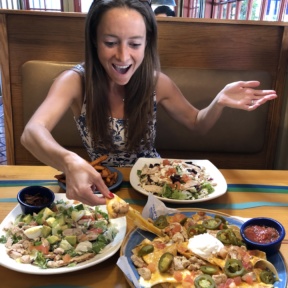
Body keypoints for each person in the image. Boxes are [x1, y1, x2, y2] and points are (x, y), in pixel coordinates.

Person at [21, 0, 277, 206]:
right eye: (110, 43)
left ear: (147, 44)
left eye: (134, 43)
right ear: (94, 41)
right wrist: (69, 161)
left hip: (155, 183)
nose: (123, 55)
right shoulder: (75, 81)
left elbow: (197, 123)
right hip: (101, 186)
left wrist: (219, 102)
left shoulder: (157, 82)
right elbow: (32, 132)